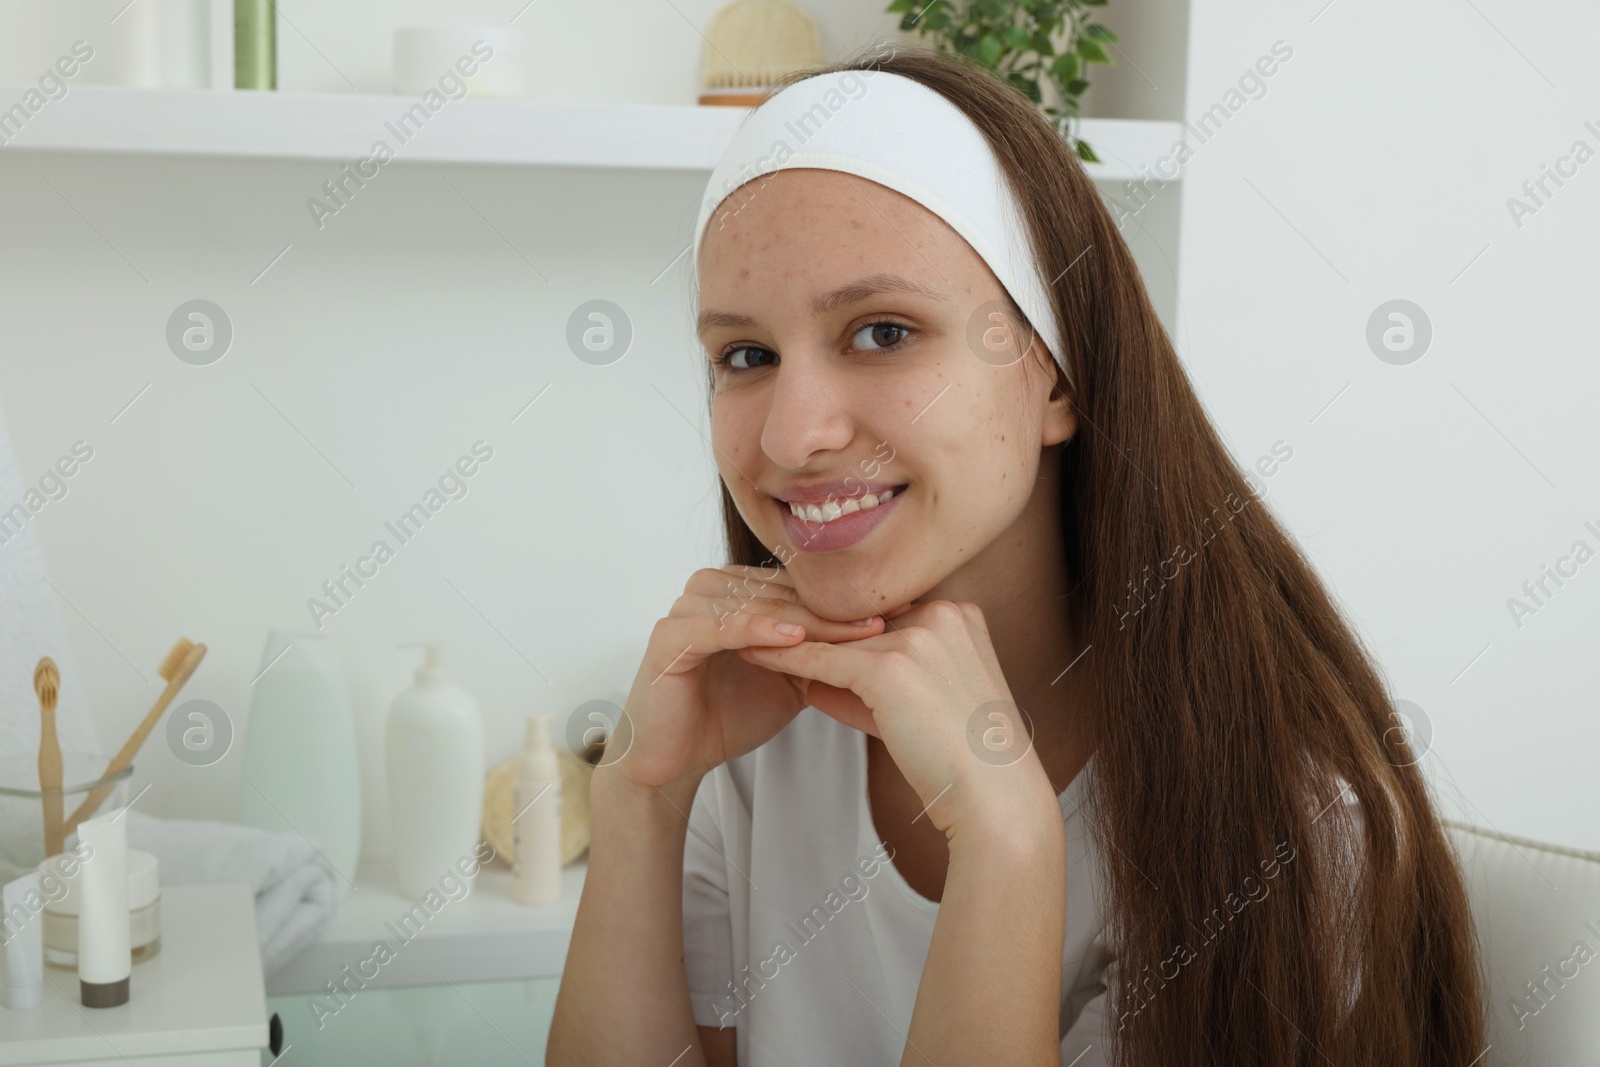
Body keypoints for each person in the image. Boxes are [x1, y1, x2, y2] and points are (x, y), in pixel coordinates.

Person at [547, 44, 1485, 1067]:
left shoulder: (1282, 825)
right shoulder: (751, 745)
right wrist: (636, 798)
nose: (788, 434)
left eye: (883, 331)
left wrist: (1006, 843)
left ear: (1055, 376)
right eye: (745, 355)